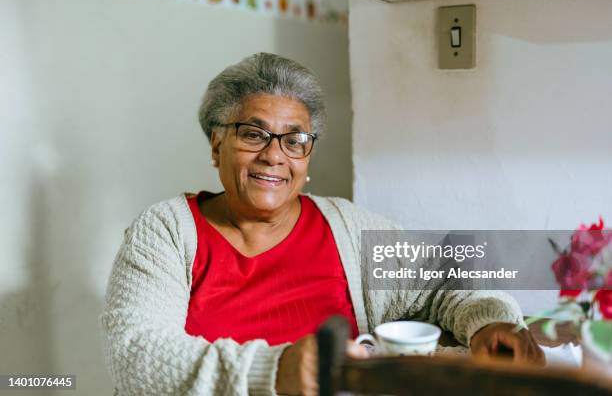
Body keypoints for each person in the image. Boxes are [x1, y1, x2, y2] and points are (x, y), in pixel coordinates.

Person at [100, 52, 544, 395]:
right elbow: (136, 355)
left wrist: (491, 323)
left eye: (295, 140)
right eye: (254, 134)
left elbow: (447, 279)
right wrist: (277, 372)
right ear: (217, 146)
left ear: (307, 157)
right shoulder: (166, 232)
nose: (274, 155)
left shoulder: (345, 228)